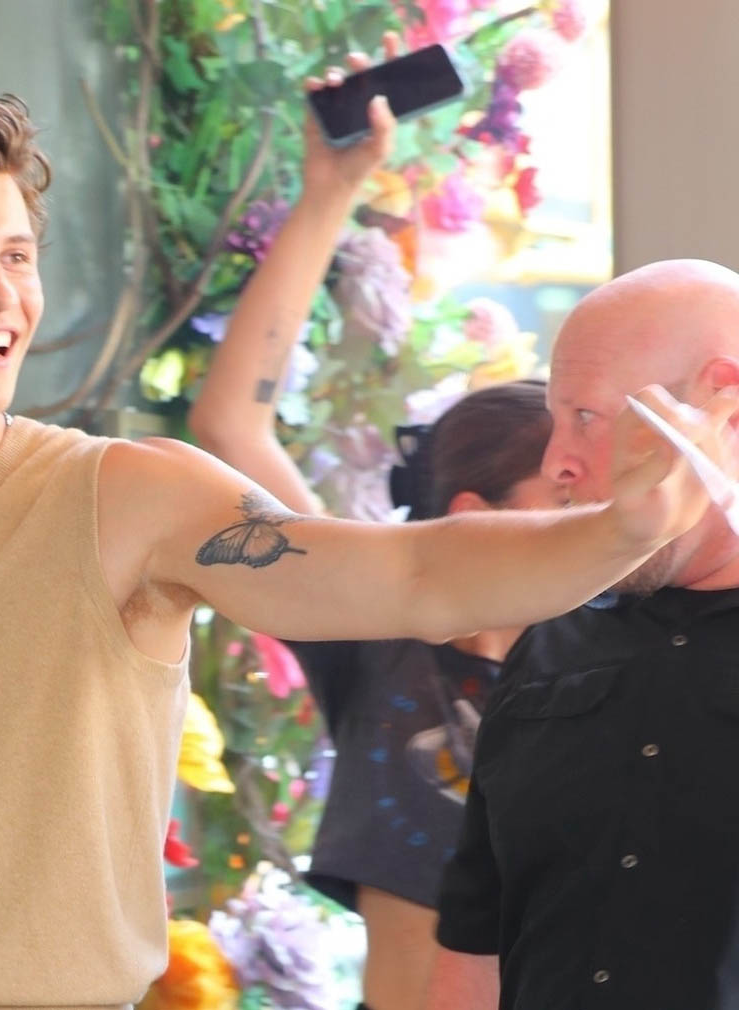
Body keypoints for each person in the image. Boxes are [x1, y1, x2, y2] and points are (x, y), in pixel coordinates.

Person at [0, 77, 730, 1010]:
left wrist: (626, 525)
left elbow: (409, 572)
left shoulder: (127, 499)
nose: (0, 294)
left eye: (18, 255)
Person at [187, 51, 561, 1010]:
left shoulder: (616, 659)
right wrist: (333, 191)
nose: (601, 518)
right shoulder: (379, 627)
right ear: (476, 519)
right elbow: (232, 426)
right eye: (565, 489)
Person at [426, 258, 739, 1010]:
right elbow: (476, 940)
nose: (555, 463)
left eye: (587, 418)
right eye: (556, 419)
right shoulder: (550, 641)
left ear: (723, 404)